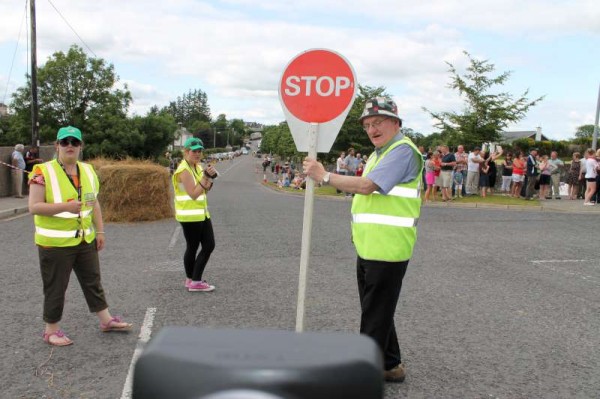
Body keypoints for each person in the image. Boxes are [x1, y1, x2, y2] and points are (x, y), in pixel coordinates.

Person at [303, 97, 423, 383]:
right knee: (377, 310)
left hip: (388, 248)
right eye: (368, 125)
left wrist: (324, 176)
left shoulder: (402, 151)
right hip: (372, 246)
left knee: (374, 315)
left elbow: (368, 186)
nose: (372, 129)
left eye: (378, 122)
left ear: (396, 122)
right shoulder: (379, 153)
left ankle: (359, 377)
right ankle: (390, 365)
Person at [28, 126, 132, 347]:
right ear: (56, 146)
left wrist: (100, 230)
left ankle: (106, 320)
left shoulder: (88, 171)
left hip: (84, 239)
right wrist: (65, 207)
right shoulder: (42, 171)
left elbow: (94, 203)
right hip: (55, 244)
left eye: (74, 143)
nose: (69, 146)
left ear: (80, 147)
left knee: (92, 280)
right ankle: (51, 330)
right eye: (64, 142)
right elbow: (34, 207)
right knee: (56, 286)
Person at [172, 137, 217, 291]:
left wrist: (209, 177)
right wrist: (206, 177)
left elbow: (206, 189)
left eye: (199, 151)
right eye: (194, 151)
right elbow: (194, 193)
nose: (197, 154)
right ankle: (195, 281)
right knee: (198, 246)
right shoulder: (184, 170)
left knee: (205, 245)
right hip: (190, 215)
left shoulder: (197, 167)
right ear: (186, 152)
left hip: (201, 213)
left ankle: (191, 279)